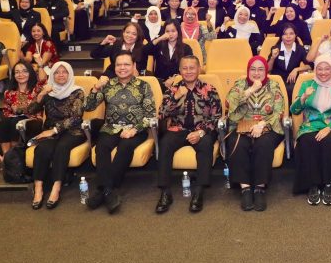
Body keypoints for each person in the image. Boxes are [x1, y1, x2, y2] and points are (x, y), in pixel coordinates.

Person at [84, 52, 155, 214]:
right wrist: (96, 88)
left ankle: (103, 190)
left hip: (136, 129)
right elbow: (88, 107)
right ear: (114, 67)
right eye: (119, 65)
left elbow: (150, 115)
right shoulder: (107, 85)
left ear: (134, 66)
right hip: (111, 128)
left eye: (126, 64)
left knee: (125, 147)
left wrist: (134, 129)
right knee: (101, 147)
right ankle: (109, 191)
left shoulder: (143, 86)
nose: (122, 68)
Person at [156, 56, 222, 214]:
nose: (188, 71)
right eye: (184, 68)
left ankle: (199, 191)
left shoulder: (209, 89)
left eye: (192, 68)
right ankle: (165, 192)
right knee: (165, 144)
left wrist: (201, 132)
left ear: (199, 69)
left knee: (205, 144)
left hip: (202, 129)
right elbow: (161, 114)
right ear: (179, 70)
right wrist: (176, 97)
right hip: (178, 129)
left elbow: (217, 116)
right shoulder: (173, 90)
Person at [225, 56, 285, 211]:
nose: (256, 73)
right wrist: (250, 89)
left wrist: (262, 124)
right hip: (242, 125)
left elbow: (279, 111)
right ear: (248, 70)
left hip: (268, 125)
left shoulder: (274, 85)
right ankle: (245, 188)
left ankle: (259, 188)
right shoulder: (240, 84)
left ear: (266, 71)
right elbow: (230, 103)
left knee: (263, 144)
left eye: (260, 69)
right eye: (253, 69)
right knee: (236, 143)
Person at [25, 61, 86, 209]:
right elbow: (30, 110)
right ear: (52, 75)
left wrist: (54, 130)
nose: (60, 75)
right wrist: (41, 94)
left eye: (64, 72)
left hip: (73, 131)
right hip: (50, 131)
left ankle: (56, 188)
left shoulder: (77, 91)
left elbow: (76, 118)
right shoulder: (48, 91)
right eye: (57, 72)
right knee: (42, 149)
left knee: (62, 148)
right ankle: (38, 188)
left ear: (69, 74)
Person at [290, 55, 331, 205]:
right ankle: (313, 184)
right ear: (315, 70)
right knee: (307, 141)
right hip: (310, 125)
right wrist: (303, 97)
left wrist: (329, 128)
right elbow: (294, 110)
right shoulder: (307, 84)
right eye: (319, 69)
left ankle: (328, 184)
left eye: (327, 69)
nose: (323, 72)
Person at [0, 61, 44, 163]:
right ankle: (6, 156)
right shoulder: (9, 93)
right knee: (4, 121)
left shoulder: (36, 89)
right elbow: (6, 111)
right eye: (17, 72)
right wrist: (13, 113)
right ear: (13, 75)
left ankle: (12, 157)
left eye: (24, 71)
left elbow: (44, 80)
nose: (20, 74)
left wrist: (40, 65)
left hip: (34, 121)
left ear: (30, 73)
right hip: (16, 121)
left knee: (16, 122)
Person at [268, 23, 311, 100]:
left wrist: (296, 69)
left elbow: (310, 65)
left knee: (293, 90)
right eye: (285, 34)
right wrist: (272, 58)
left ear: (295, 35)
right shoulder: (275, 48)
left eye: (291, 34)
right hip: (276, 81)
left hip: (291, 82)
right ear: (281, 36)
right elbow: (268, 69)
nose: (288, 37)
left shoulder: (300, 49)